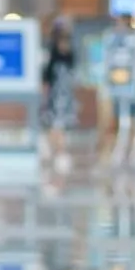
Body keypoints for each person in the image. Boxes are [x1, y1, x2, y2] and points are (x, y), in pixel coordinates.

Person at [102, 15, 135, 167]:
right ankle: (121, 151)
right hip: (121, 88)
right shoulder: (112, 41)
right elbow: (108, 64)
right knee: (123, 120)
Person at [41, 23, 77, 173]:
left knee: (60, 126)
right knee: (54, 125)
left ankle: (59, 152)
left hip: (65, 97)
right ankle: (55, 151)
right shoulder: (52, 58)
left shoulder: (70, 57)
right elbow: (46, 79)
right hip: (54, 97)